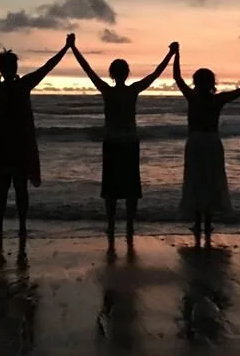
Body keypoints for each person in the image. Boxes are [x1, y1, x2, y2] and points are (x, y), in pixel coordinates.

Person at [0, 30, 71, 255]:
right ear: (12, 68)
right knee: (18, 189)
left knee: (5, 190)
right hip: (17, 147)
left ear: (3, 68)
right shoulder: (20, 86)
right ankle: (20, 227)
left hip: (5, 148)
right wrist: (66, 48)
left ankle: (2, 228)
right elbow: (47, 67)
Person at [71, 40, 175, 247]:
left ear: (112, 74)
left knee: (111, 186)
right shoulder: (132, 90)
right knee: (130, 186)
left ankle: (111, 224)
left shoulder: (108, 91)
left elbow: (88, 70)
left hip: (112, 142)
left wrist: (73, 48)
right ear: (126, 73)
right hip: (128, 142)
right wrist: (170, 54)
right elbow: (155, 74)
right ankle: (129, 224)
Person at [173, 47, 240, 246]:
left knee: (195, 180)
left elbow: (177, 77)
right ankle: (208, 223)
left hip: (196, 141)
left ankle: (197, 223)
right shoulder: (217, 99)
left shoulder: (192, 96)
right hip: (213, 142)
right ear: (211, 83)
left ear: (196, 82)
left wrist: (176, 54)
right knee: (212, 180)